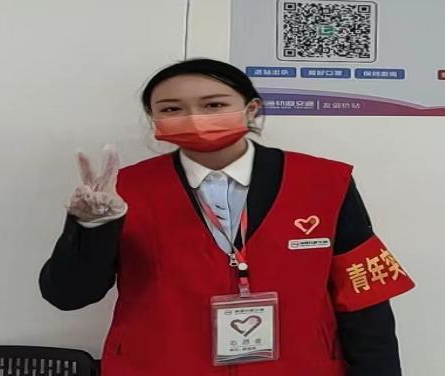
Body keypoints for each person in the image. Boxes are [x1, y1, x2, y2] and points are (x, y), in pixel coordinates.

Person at [40, 58, 415, 376]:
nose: (194, 118)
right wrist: (92, 226)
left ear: (251, 109)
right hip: (159, 364)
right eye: (171, 109)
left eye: (214, 105)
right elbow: (68, 296)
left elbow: (365, 298)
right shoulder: (121, 190)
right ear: (154, 119)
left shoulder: (324, 182)